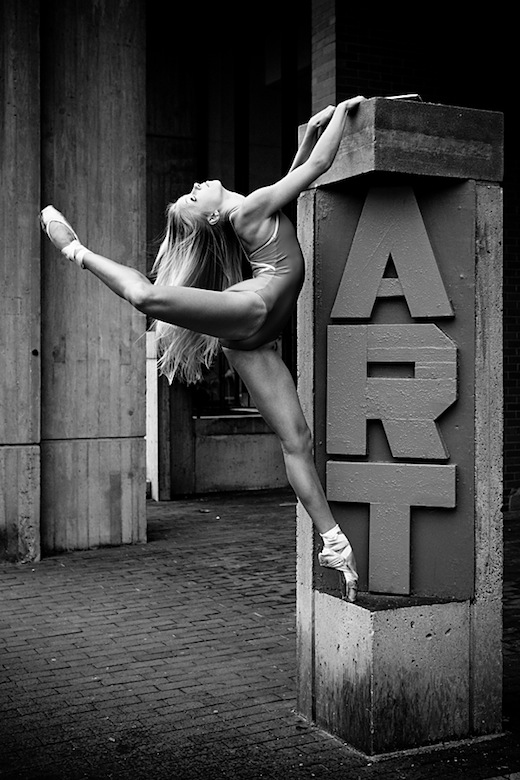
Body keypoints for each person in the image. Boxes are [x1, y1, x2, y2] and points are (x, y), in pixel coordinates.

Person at [40, 95, 365, 602]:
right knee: (147, 297)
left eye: (190, 192)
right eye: (192, 198)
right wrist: (345, 109)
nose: (195, 187)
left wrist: (310, 132)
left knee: (297, 442)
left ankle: (333, 544)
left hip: (252, 336)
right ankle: (75, 250)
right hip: (256, 310)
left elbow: (298, 174)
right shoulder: (249, 209)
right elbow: (319, 167)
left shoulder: (251, 208)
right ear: (212, 217)